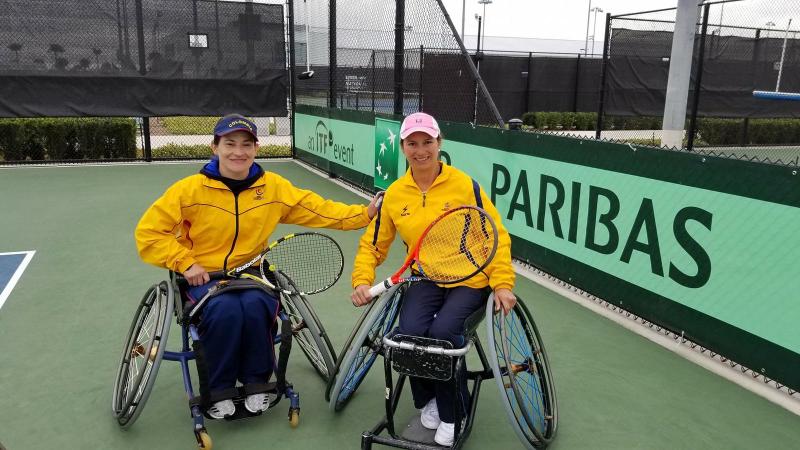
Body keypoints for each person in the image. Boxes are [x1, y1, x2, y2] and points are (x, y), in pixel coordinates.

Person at [135, 114, 380, 419]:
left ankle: (257, 383)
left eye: (246, 144)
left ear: (256, 149)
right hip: (203, 276)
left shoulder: (272, 187)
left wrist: (364, 213)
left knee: (257, 306)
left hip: (252, 272)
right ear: (215, 147)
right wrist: (186, 263)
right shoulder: (189, 190)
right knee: (223, 311)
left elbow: (317, 209)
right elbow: (148, 233)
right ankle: (219, 389)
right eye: (230, 144)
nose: (238, 152)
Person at [350, 112, 517, 446]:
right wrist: (361, 279)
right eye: (413, 143)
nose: (420, 150)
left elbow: (493, 234)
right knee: (408, 334)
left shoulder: (465, 185)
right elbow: (373, 244)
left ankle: (454, 411)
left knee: (442, 334)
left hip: (469, 278)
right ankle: (428, 400)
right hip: (424, 278)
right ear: (403, 147)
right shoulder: (395, 194)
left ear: (439, 144)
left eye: (427, 142)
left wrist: (502, 283)